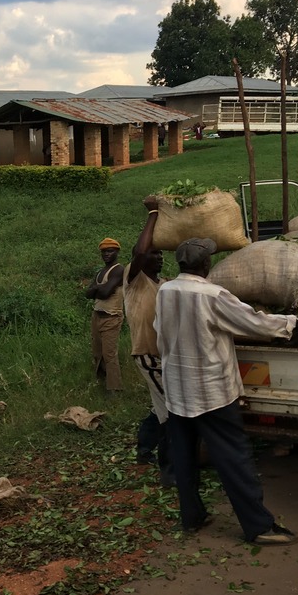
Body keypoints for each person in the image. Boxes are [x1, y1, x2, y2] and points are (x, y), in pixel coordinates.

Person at [154, 238, 298, 545]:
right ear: (206, 264)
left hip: (178, 391)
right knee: (234, 458)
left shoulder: (165, 291)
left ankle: (192, 517)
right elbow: (252, 323)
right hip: (212, 392)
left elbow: (159, 330)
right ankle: (259, 527)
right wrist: (289, 323)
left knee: (184, 457)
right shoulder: (212, 294)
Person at [122, 197, 173, 484]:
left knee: (159, 405)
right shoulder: (134, 279)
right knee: (171, 409)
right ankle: (170, 470)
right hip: (147, 354)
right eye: (155, 253)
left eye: (161, 253)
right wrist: (153, 214)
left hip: (163, 355)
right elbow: (139, 251)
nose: (159, 256)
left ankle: (144, 449)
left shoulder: (163, 284)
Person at [84, 238, 124, 395]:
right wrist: (98, 289)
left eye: (110, 251)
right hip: (97, 315)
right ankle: (102, 381)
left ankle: (114, 388)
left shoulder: (118, 269)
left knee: (109, 354)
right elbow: (88, 294)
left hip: (111, 316)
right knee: (97, 352)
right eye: (104, 251)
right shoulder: (101, 272)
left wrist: (96, 288)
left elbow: (105, 292)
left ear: (117, 252)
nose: (106, 254)